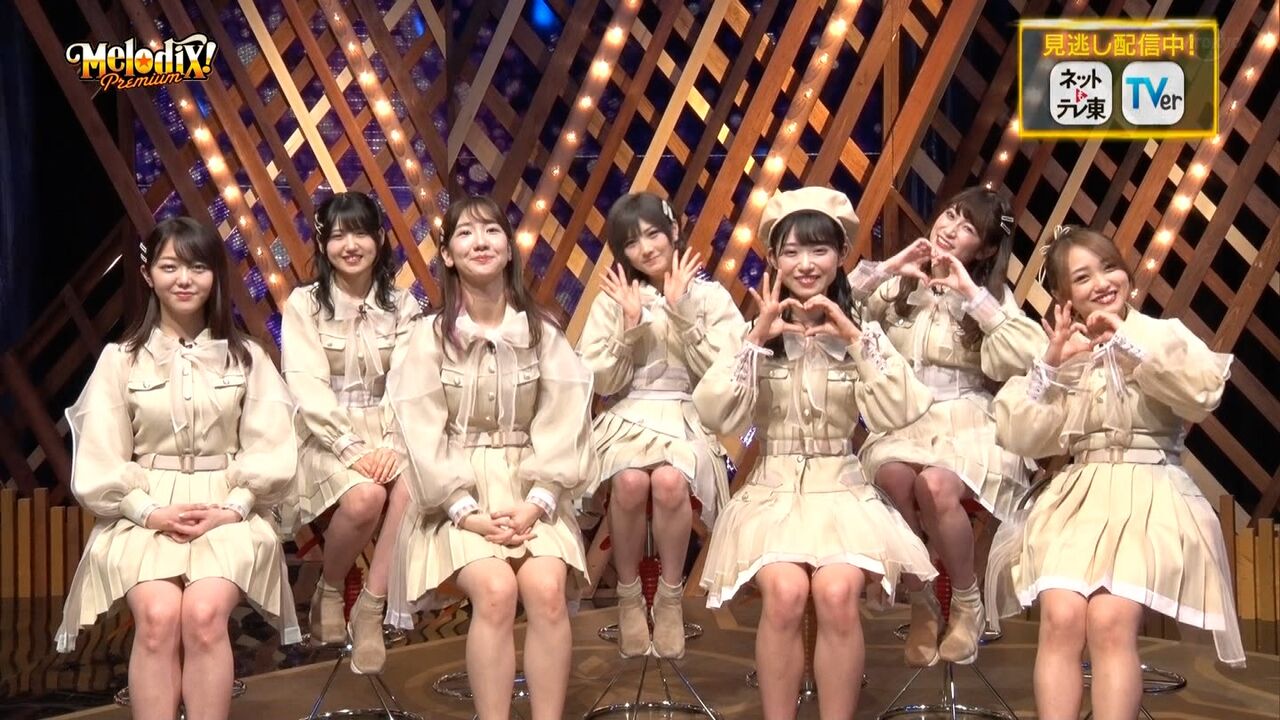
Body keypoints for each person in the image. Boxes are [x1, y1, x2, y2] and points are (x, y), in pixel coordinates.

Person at [695, 187, 937, 719]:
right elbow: (715, 415)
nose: (806, 264)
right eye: (792, 251)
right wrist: (755, 341)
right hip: (771, 491)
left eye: (819, 250)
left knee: (836, 593)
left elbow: (901, 410)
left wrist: (853, 337)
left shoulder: (863, 333)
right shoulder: (753, 333)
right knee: (784, 593)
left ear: (841, 255)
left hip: (842, 489)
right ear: (773, 258)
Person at [987, 225, 1245, 720]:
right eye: (1083, 277)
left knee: (1109, 620)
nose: (1102, 283)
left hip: (1151, 489)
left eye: (1109, 267)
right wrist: (1051, 365)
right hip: (1080, 495)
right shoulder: (1063, 351)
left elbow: (1202, 395)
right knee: (1061, 616)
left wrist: (1130, 348)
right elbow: (1020, 435)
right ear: (1064, 297)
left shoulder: (1161, 334)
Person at [55, 217, 300, 720]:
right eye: (170, 267)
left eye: (197, 267)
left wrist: (233, 507)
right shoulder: (120, 360)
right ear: (148, 275)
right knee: (159, 617)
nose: (184, 279)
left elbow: (271, 447)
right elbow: (100, 457)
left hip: (227, 507)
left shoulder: (247, 357)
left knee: (204, 616)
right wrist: (148, 512)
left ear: (215, 276)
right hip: (145, 511)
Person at [385, 196, 594, 720]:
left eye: (492, 231)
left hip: (532, 490)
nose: (480, 242)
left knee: (546, 589)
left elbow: (565, 419)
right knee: (497, 590)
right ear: (448, 255)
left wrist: (537, 502)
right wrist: (466, 511)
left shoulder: (542, 331)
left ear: (509, 248)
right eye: (465, 233)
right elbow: (421, 432)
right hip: (453, 497)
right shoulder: (429, 338)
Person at [847, 187, 1045, 665]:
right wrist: (890, 267)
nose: (951, 229)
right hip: (903, 419)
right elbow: (835, 308)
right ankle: (922, 600)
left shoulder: (992, 298)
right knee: (893, 477)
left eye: (968, 227)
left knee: (934, 486)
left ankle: (967, 602)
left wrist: (974, 297)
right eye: (951, 216)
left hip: (967, 421)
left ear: (986, 249)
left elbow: (1031, 356)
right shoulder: (900, 288)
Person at [578, 192, 745, 658]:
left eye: (653, 234)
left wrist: (683, 313)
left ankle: (670, 599)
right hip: (628, 415)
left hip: (688, 416)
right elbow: (602, 381)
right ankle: (629, 596)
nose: (646, 248)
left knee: (671, 481)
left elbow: (726, 374)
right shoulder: (614, 300)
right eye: (632, 242)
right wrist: (630, 323)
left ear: (674, 231)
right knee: (630, 481)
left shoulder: (710, 297)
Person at [282, 191, 418, 673]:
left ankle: (371, 608)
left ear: (380, 239)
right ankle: (331, 587)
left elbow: (410, 383)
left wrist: (394, 444)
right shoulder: (303, 304)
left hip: (392, 431)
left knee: (414, 485)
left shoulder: (403, 304)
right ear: (323, 244)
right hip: (325, 433)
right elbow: (306, 385)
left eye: (360, 233)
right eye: (338, 235)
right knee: (366, 498)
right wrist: (352, 446)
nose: (350, 245)